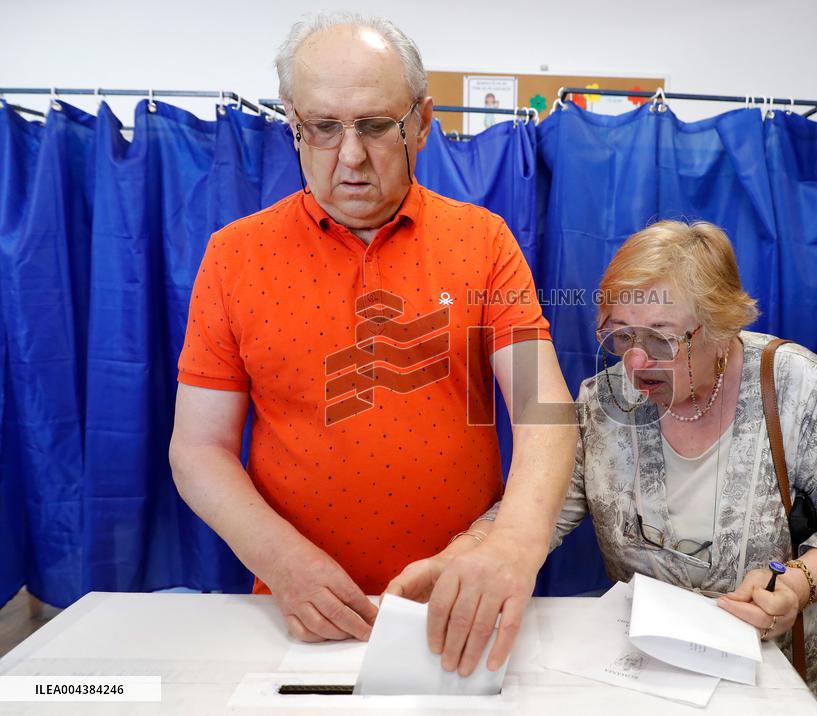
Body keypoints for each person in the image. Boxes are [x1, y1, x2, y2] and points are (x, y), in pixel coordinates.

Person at [168, 12, 576, 678]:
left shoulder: (483, 243)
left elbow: (545, 414)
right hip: (297, 609)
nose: (351, 156)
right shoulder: (234, 257)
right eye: (323, 128)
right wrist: (282, 562)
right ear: (293, 124)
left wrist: (511, 546)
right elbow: (198, 448)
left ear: (422, 122)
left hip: (460, 602)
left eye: (376, 126)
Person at [395, 219, 817, 700]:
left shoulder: (794, 384)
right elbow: (535, 512)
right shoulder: (601, 402)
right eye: (621, 335)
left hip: (780, 683)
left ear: (719, 327)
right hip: (653, 679)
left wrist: (796, 586)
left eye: (659, 338)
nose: (633, 361)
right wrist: (460, 557)